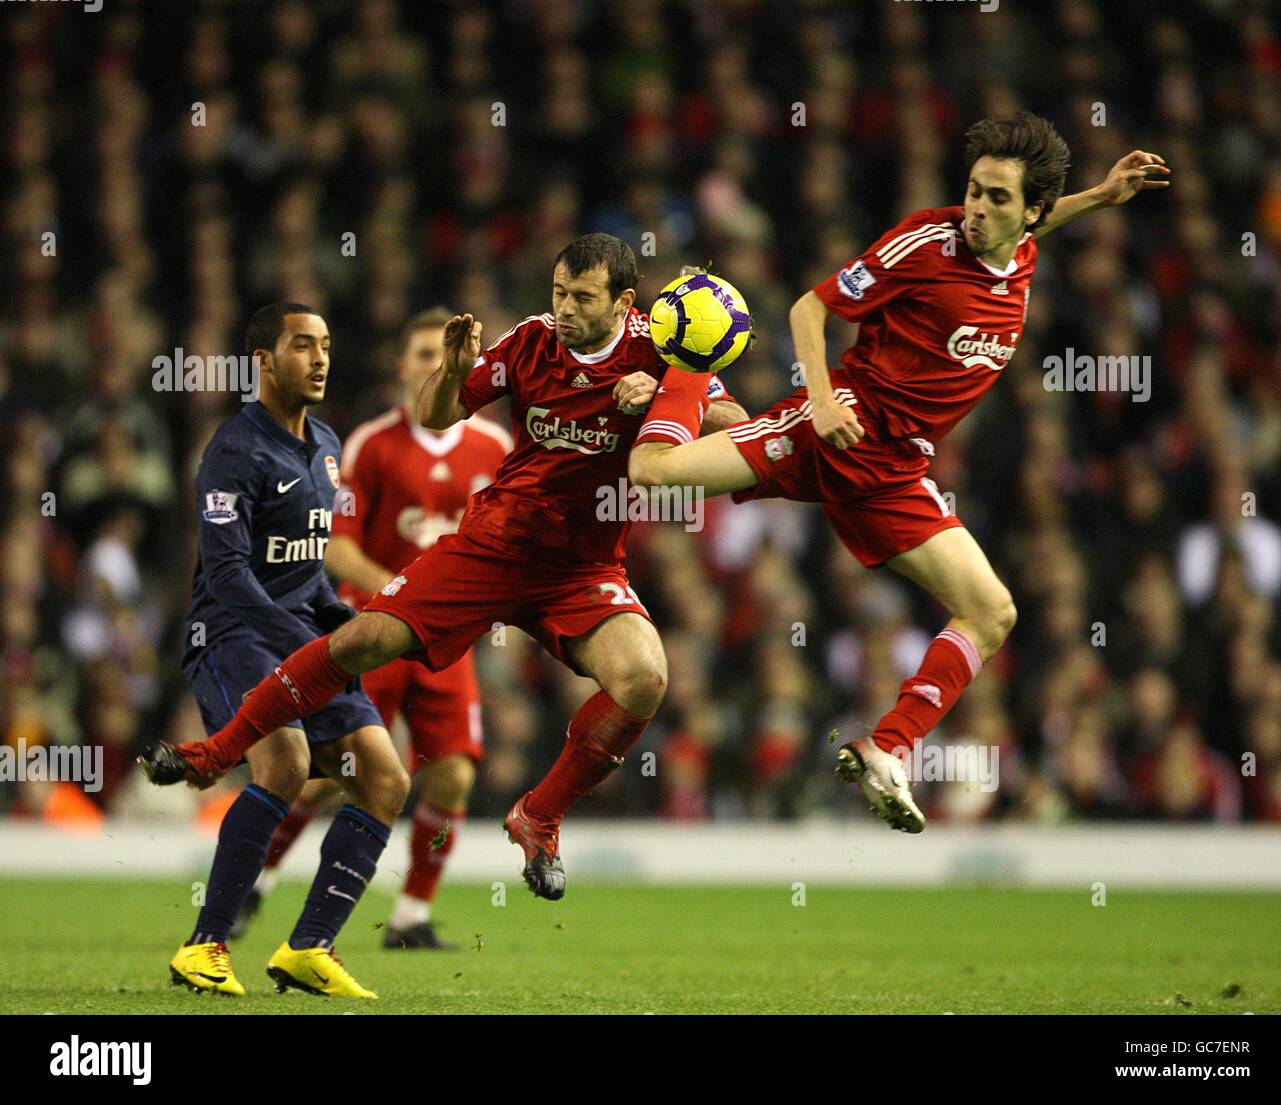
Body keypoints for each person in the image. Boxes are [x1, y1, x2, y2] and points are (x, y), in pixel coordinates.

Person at [141, 235, 748, 901]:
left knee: (644, 678)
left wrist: (665, 391)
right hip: (493, 544)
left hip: (581, 566)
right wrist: (456, 370)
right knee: (361, 640)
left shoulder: (662, 345)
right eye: (557, 292)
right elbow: (436, 413)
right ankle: (218, 750)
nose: (564, 309)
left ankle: (538, 816)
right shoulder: (529, 342)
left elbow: (733, 419)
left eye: (582, 298)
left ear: (624, 302)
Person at [628, 113, 1170, 833]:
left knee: (992, 611)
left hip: (892, 468)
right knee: (653, 472)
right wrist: (819, 401)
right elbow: (810, 306)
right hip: (844, 432)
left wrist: (1101, 196)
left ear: (1030, 212)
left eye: (999, 199)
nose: (978, 208)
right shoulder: (928, 241)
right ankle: (678, 369)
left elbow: (1036, 226)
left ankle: (888, 747)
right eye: (975, 190)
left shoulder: (1024, 251)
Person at [235, 308, 509, 949]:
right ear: (401, 367)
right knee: (334, 774)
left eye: (442, 357)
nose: (432, 367)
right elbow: (335, 545)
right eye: (421, 356)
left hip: (446, 639)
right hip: (374, 628)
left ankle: (410, 915)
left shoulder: (493, 448)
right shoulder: (369, 445)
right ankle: (258, 880)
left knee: (454, 774)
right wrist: (411, 592)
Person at [167, 303, 408, 999]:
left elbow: (310, 572)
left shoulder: (327, 443)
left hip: (305, 637)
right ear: (264, 362)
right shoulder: (233, 449)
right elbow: (229, 574)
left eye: (327, 345)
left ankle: (310, 947)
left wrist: (364, 626)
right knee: (287, 761)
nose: (321, 358)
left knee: (386, 779)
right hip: (233, 635)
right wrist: (310, 641)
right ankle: (203, 946)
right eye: (303, 345)